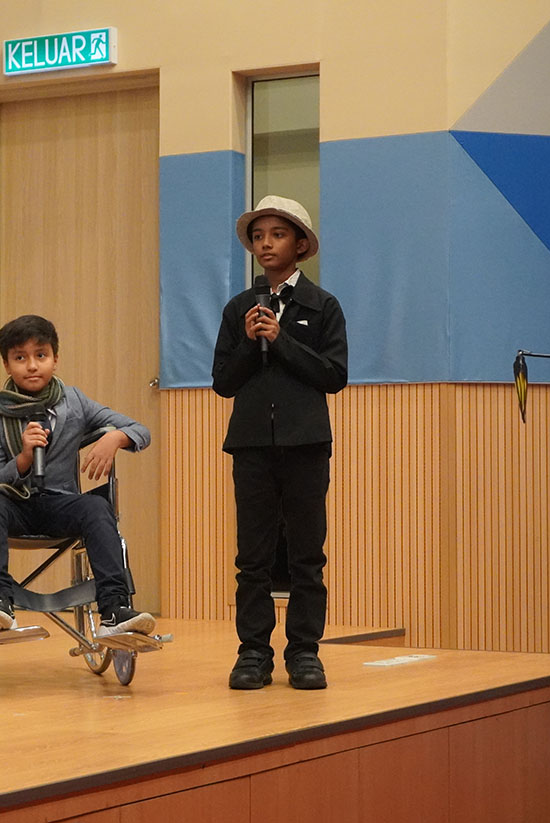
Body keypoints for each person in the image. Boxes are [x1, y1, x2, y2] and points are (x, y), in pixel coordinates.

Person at [211, 195, 348, 691]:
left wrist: (282, 339)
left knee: (307, 555)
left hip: (306, 445)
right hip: (251, 446)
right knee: (253, 557)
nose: (265, 244)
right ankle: (253, 653)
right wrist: (251, 342)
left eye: (277, 234)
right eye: (258, 236)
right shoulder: (239, 309)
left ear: (301, 244)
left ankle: (305, 652)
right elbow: (223, 382)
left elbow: (333, 375)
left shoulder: (322, 306)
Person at [0, 314, 156, 637]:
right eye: (20, 358)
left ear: (55, 359)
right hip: (14, 506)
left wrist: (114, 437)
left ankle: (114, 608)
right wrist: (24, 458)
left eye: (41, 355)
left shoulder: (74, 401)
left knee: (97, 507)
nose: (32, 366)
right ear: (7, 365)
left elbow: (141, 430)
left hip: (59, 504)